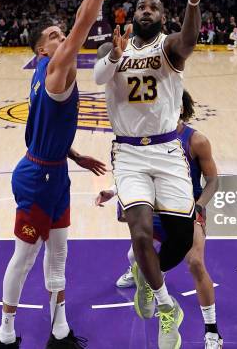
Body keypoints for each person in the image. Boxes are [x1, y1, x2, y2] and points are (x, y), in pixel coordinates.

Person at [0, 0, 136, 349]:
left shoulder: (39, 73)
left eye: (60, 35)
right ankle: (6, 332)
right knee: (25, 257)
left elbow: (33, 129)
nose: (62, 37)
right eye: (54, 36)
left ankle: (60, 330)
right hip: (37, 177)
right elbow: (83, 23)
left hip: (53, 170)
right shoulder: (56, 71)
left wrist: (71, 153)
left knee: (59, 256)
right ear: (42, 49)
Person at [93, 0, 211, 348]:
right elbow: (97, 75)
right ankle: (165, 306)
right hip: (128, 153)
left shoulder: (171, 47)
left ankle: (148, 276)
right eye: (141, 7)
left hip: (167, 150)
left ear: (163, 17)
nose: (147, 11)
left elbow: (190, 41)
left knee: (180, 236)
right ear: (131, 15)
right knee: (140, 231)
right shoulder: (114, 49)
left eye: (154, 7)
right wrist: (113, 55)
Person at [95, 90, 223, 349]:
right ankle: (140, 273)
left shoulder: (196, 140)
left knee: (196, 263)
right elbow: (137, 171)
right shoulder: (145, 136)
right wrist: (113, 189)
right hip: (153, 209)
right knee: (136, 254)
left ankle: (212, 332)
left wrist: (199, 205)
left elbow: (213, 180)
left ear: (178, 108)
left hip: (185, 209)